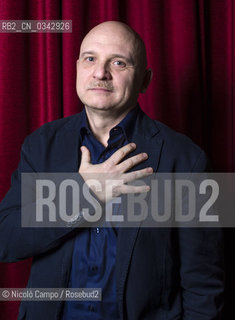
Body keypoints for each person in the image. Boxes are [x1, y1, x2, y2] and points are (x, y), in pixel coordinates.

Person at [0, 21, 224, 320]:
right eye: (90, 58)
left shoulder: (187, 159)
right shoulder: (41, 144)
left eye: (118, 62)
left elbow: (204, 286)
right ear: (78, 67)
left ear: (145, 80)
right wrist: (84, 195)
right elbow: (6, 241)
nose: (100, 73)